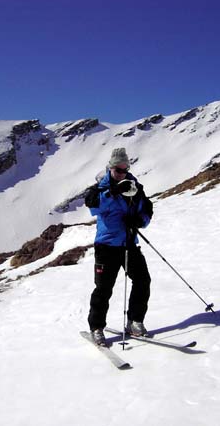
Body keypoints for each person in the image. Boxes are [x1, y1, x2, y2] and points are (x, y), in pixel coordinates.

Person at [84, 148, 154, 346]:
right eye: (118, 169)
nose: (121, 173)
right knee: (104, 288)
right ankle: (96, 328)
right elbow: (92, 205)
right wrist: (111, 192)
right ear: (110, 168)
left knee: (142, 280)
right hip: (107, 246)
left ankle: (135, 321)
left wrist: (139, 221)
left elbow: (147, 209)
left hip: (130, 244)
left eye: (125, 169)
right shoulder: (100, 188)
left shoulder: (135, 187)